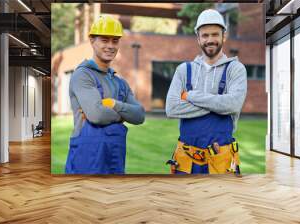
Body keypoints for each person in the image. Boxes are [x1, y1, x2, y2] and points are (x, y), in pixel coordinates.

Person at [165, 9, 247, 174]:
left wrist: (190, 96)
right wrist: (218, 104)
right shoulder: (184, 70)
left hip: (221, 161)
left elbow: (233, 104)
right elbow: (172, 108)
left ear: (224, 36)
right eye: (205, 35)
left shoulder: (236, 69)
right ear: (198, 38)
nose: (210, 40)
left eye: (215, 34)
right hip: (186, 161)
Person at [65, 15, 145, 174]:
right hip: (86, 158)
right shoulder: (83, 75)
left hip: (115, 158)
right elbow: (97, 114)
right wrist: (123, 115)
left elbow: (139, 115)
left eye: (115, 41)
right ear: (92, 41)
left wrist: (115, 104)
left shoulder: (120, 82)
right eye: (104, 40)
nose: (110, 45)